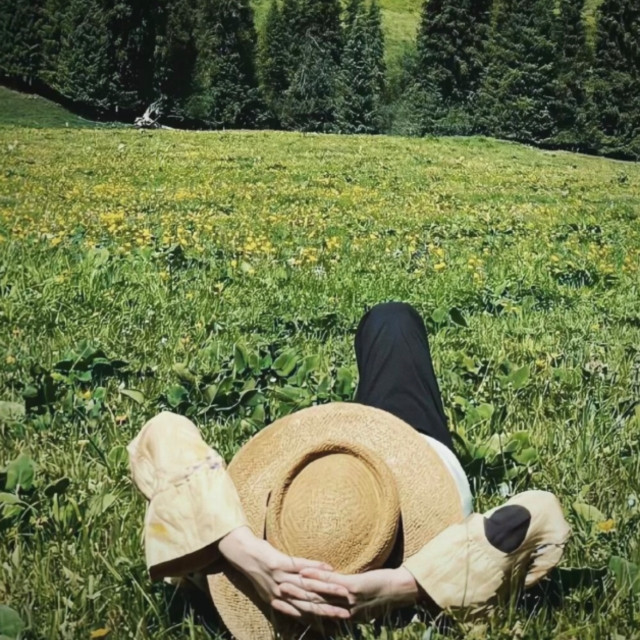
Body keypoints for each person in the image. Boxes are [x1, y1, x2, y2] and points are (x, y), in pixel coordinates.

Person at [128, 302, 570, 632]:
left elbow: (162, 432)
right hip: (414, 466)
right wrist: (400, 586)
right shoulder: (439, 554)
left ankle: (353, 419)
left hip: (325, 474)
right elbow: (539, 512)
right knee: (392, 321)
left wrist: (250, 556)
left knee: (386, 332)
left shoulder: (218, 569)